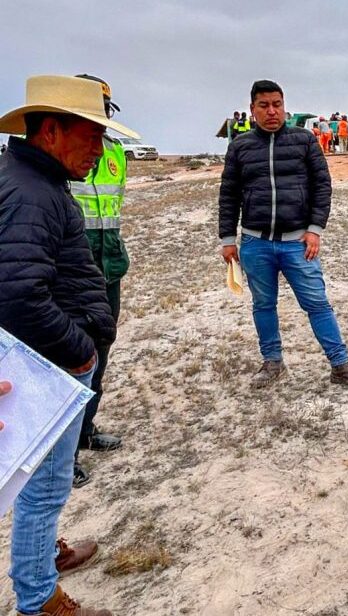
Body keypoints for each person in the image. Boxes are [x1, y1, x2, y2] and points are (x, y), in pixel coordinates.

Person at [0, 74, 137, 616]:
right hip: (52, 365)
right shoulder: (32, 194)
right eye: (92, 135)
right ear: (52, 131)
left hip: (49, 361)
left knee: (40, 484)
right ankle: (38, 599)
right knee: (45, 486)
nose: (100, 149)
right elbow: (17, 295)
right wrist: (79, 350)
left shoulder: (35, 182)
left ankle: (38, 560)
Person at [218, 79, 348, 390]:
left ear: (284, 106)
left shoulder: (304, 140)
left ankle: (340, 364)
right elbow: (229, 194)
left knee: (317, 303)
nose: (272, 111)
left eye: (277, 104)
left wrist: (315, 229)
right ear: (252, 110)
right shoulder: (240, 147)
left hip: (298, 243)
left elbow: (322, 187)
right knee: (263, 305)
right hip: (254, 242)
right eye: (264, 105)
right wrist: (227, 240)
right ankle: (272, 362)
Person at [68, 74, 128, 489]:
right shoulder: (56, 156)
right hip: (71, 268)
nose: (102, 120)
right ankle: (62, 454)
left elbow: (113, 209)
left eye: (105, 111)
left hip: (108, 266)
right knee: (69, 360)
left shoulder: (115, 152)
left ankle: (86, 430)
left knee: (99, 355)